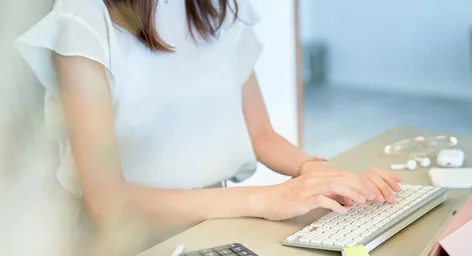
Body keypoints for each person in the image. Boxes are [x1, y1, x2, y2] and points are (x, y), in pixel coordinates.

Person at [15, 0, 402, 235]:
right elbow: (107, 200)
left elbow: (262, 134)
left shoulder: (218, 9)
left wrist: (319, 173)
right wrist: (266, 200)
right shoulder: (84, 18)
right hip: (122, 246)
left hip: (216, 222)